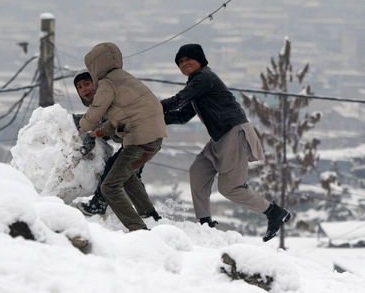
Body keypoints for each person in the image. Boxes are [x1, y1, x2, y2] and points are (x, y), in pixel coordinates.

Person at [161, 43, 291, 242]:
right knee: (198, 170)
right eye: (180, 62)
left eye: (188, 59)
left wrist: (148, 108)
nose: (184, 64)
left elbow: (178, 101)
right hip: (219, 138)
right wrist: (154, 118)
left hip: (233, 133)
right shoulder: (197, 84)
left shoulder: (204, 78)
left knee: (231, 188)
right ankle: (205, 222)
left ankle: (274, 212)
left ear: (200, 61)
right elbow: (182, 115)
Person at [78, 42, 167, 231]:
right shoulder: (123, 78)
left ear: (94, 66)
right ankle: (149, 215)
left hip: (140, 140)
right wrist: (101, 131)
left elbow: (94, 112)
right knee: (126, 175)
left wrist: (82, 126)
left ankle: (138, 229)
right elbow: (125, 115)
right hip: (154, 136)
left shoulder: (106, 83)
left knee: (109, 186)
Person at [72, 71, 149, 217]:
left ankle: (97, 206)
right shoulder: (98, 107)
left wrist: (91, 136)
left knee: (115, 171)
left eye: (87, 84)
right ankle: (147, 213)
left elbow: (114, 124)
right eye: (80, 87)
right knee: (130, 177)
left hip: (140, 140)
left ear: (96, 84)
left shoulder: (109, 101)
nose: (84, 89)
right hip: (136, 141)